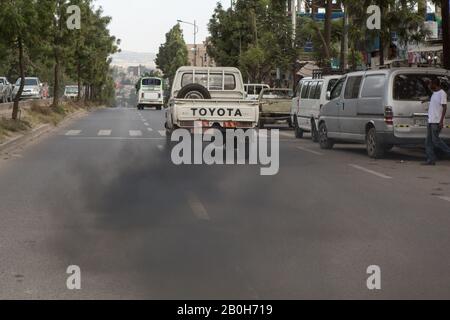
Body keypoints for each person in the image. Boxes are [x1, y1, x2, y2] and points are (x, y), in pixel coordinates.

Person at [423, 78, 450, 166]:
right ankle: (431, 160)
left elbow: (444, 107)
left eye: (431, 84)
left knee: (436, 141)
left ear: (435, 84)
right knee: (428, 142)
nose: (430, 86)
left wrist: (441, 121)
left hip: (436, 121)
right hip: (431, 120)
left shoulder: (442, 93)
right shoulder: (434, 93)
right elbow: (429, 89)